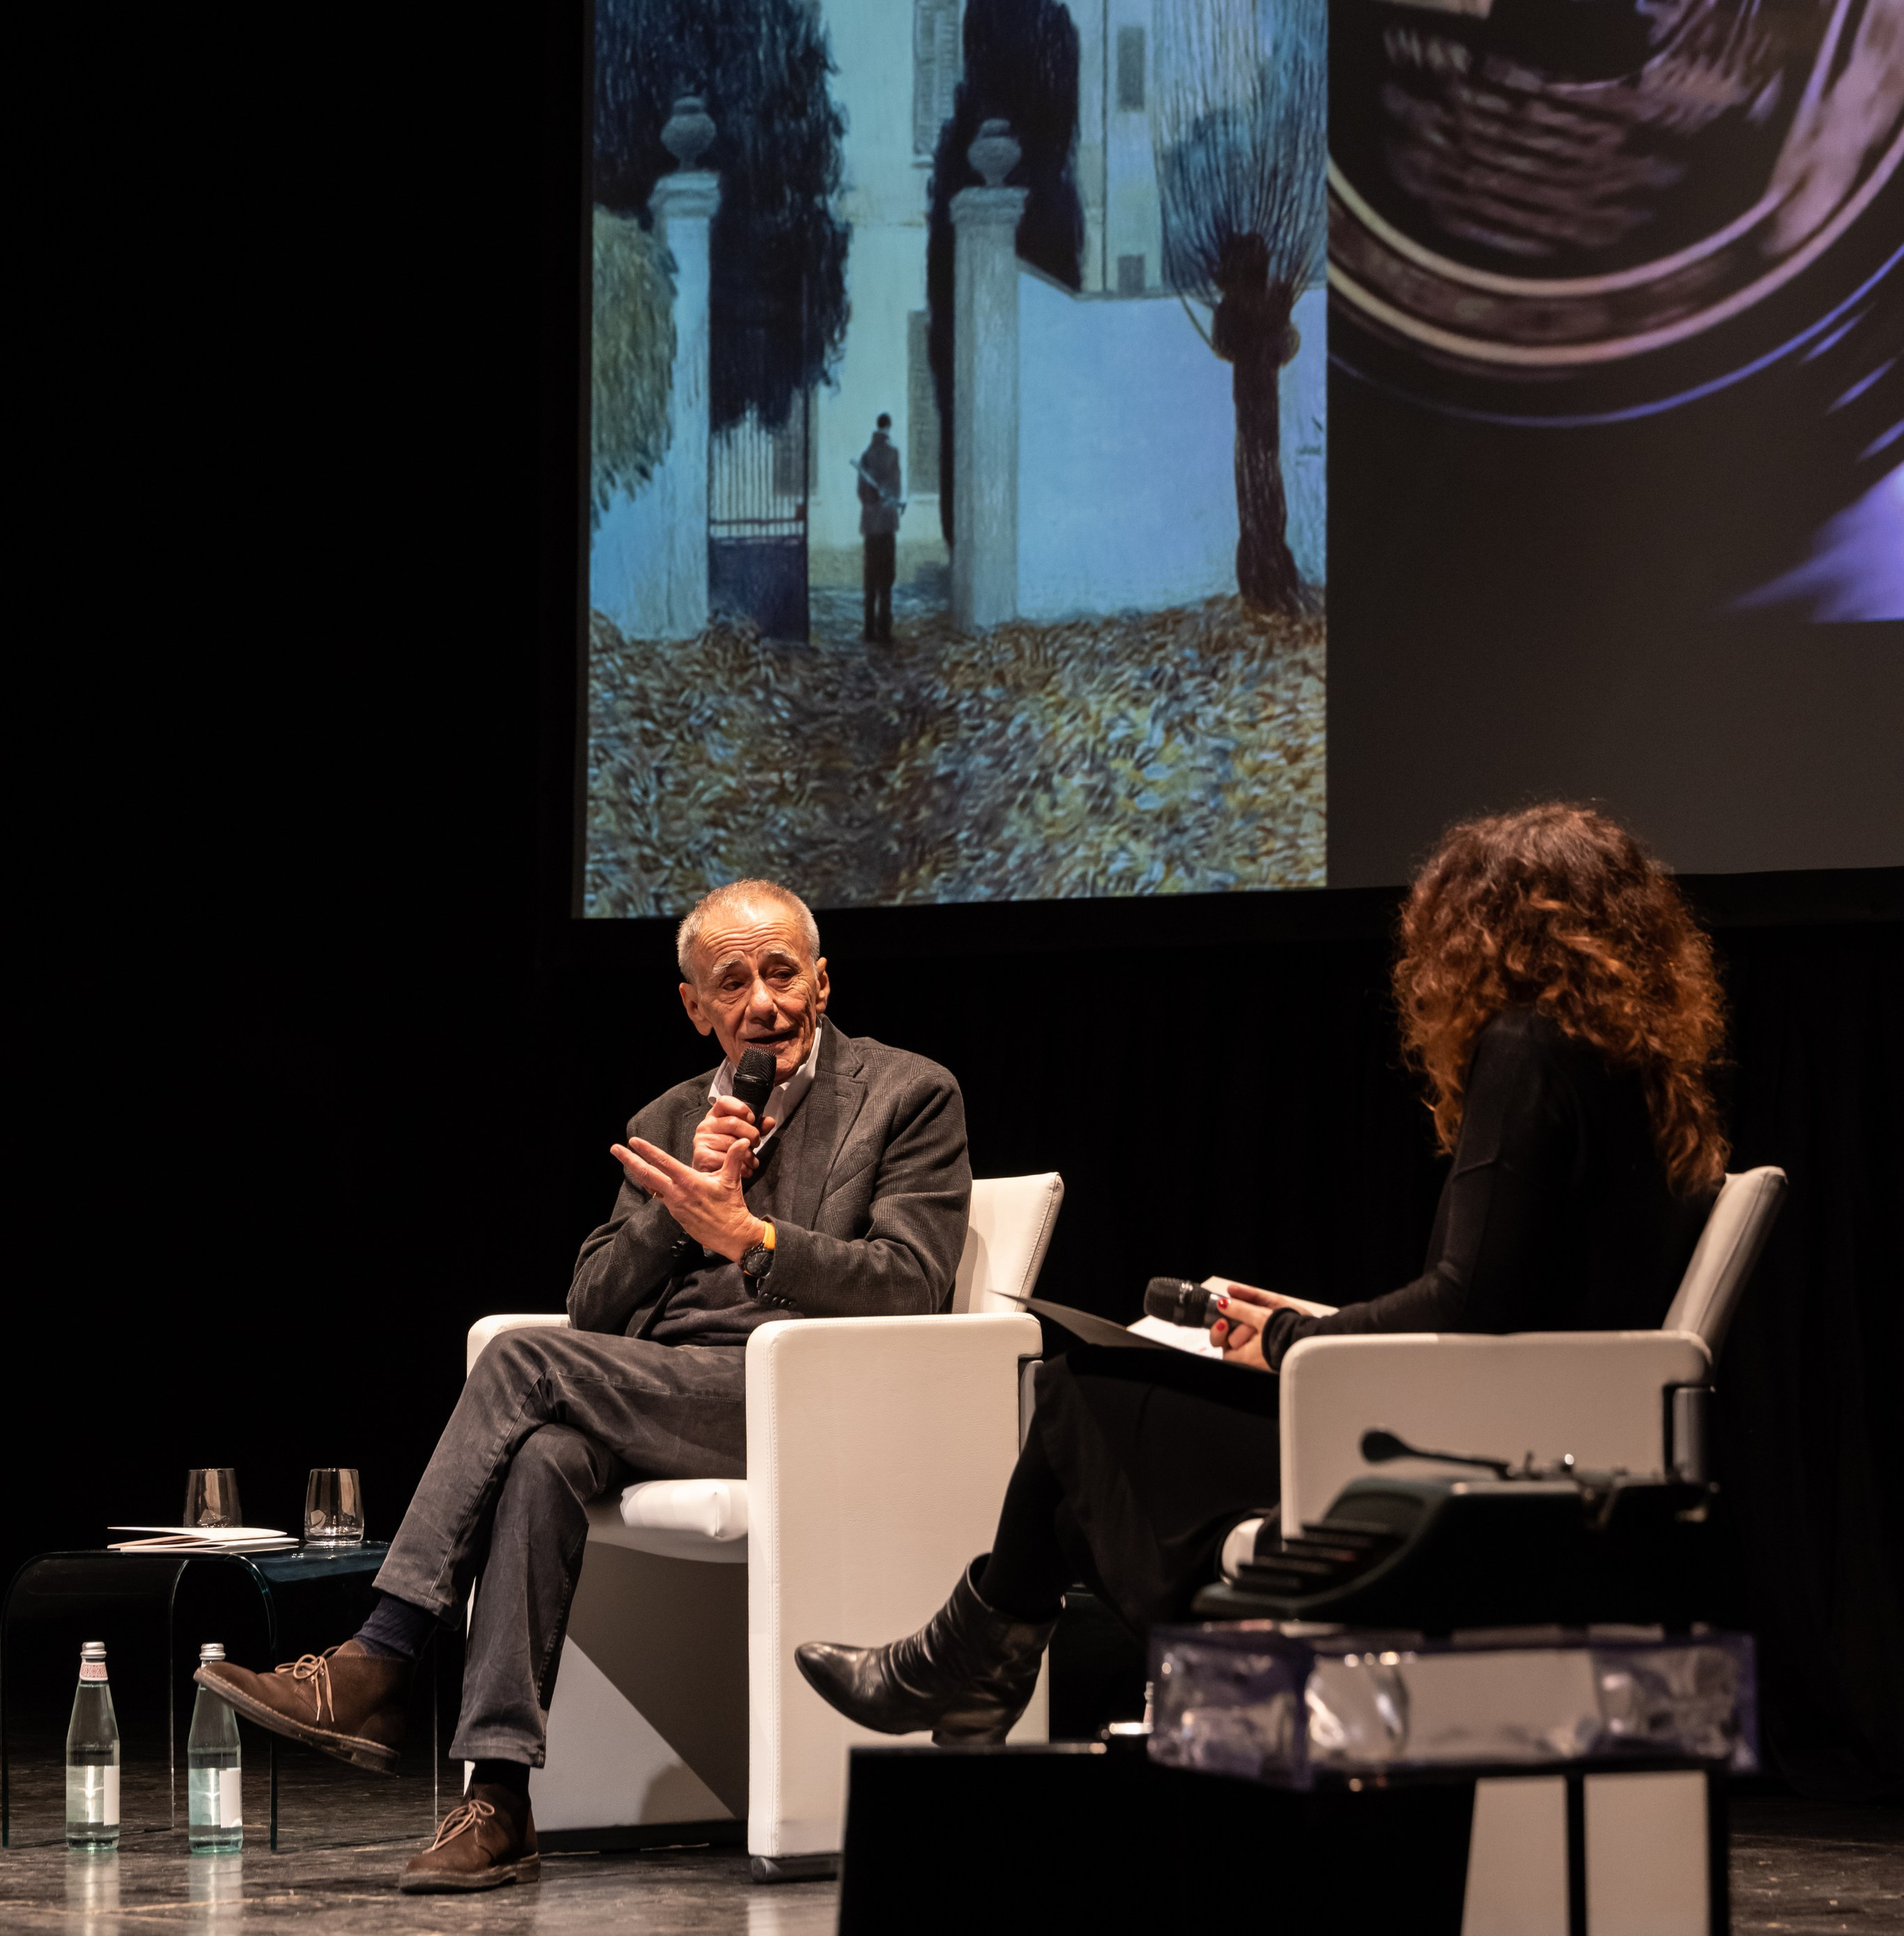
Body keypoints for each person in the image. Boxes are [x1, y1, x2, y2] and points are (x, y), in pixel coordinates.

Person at [797, 801, 1727, 1745]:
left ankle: (967, 1667)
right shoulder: (1629, 1068)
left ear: (1481, 931)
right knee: (1090, 1464)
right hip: (1519, 1421)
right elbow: (1513, 1300)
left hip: (1461, 1452)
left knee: (1081, 1394)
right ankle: (967, 1667)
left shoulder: (1527, 1048)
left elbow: (1466, 1305)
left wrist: (1290, 1341)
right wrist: (1315, 1322)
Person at [196, 880, 971, 1891]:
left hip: (800, 1399)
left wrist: (751, 1239)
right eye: (732, 982)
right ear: (696, 1006)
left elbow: (913, 1285)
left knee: (521, 1361)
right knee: (543, 1457)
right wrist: (675, 1208)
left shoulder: (908, 1094)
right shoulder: (670, 1115)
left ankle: (380, 1656)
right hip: (656, 1386)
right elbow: (593, 1305)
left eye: (782, 972)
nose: (763, 1003)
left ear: (822, 981)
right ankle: (501, 1793)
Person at [856, 412, 903, 642]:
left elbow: (861, 493)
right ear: (889, 427)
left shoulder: (866, 456)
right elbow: (896, 490)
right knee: (886, 579)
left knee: (870, 579)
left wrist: (872, 501)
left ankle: (868, 629)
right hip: (886, 526)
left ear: (877, 427)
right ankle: (884, 629)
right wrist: (886, 499)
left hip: (870, 527)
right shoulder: (893, 454)